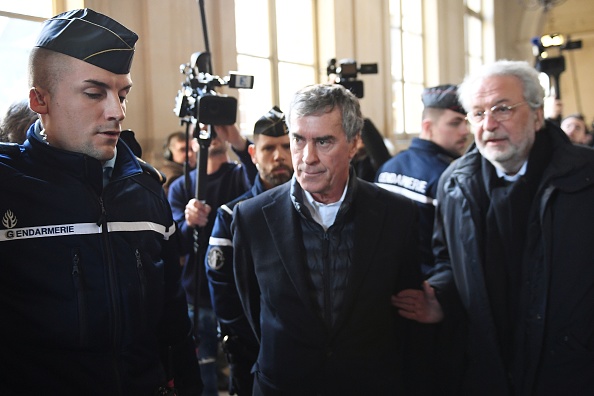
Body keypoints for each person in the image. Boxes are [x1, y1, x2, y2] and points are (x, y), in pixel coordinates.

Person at [0, 8, 201, 395]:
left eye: (122, 94)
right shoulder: (10, 187)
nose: (117, 112)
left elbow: (174, 323)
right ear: (40, 100)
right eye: (94, 93)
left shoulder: (144, 187)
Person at [395, 59, 594, 395]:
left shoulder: (585, 179)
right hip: (489, 366)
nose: (488, 124)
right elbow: (447, 261)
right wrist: (441, 297)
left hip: (571, 368)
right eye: (477, 113)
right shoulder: (454, 184)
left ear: (536, 113)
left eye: (502, 109)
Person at [233, 83, 429, 395]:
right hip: (284, 385)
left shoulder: (397, 214)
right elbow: (249, 309)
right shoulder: (252, 218)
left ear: (354, 145)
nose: (307, 157)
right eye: (298, 140)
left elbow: (403, 313)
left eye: (323, 142)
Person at [205, 106, 293, 395]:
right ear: (253, 155)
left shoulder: (313, 210)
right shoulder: (232, 216)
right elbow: (225, 296)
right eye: (269, 148)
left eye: (286, 147)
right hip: (252, 351)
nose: (279, 156)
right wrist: (260, 343)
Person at [168, 122, 257, 395]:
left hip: (238, 291)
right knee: (202, 371)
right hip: (197, 295)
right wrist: (188, 222)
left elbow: (263, 186)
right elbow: (176, 246)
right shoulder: (182, 186)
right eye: (202, 130)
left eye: (217, 129)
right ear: (193, 144)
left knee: (244, 366)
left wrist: (238, 142)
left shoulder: (239, 175)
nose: (211, 134)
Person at [376, 84, 469, 275]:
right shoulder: (448, 176)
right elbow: (459, 251)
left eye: (466, 122)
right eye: (455, 123)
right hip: (432, 286)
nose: (465, 131)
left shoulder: (389, 167)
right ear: (428, 126)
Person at [161, 130, 197, 195]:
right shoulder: (172, 177)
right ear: (169, 153)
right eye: (183, 150)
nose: (190, 154)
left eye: (192, 149)